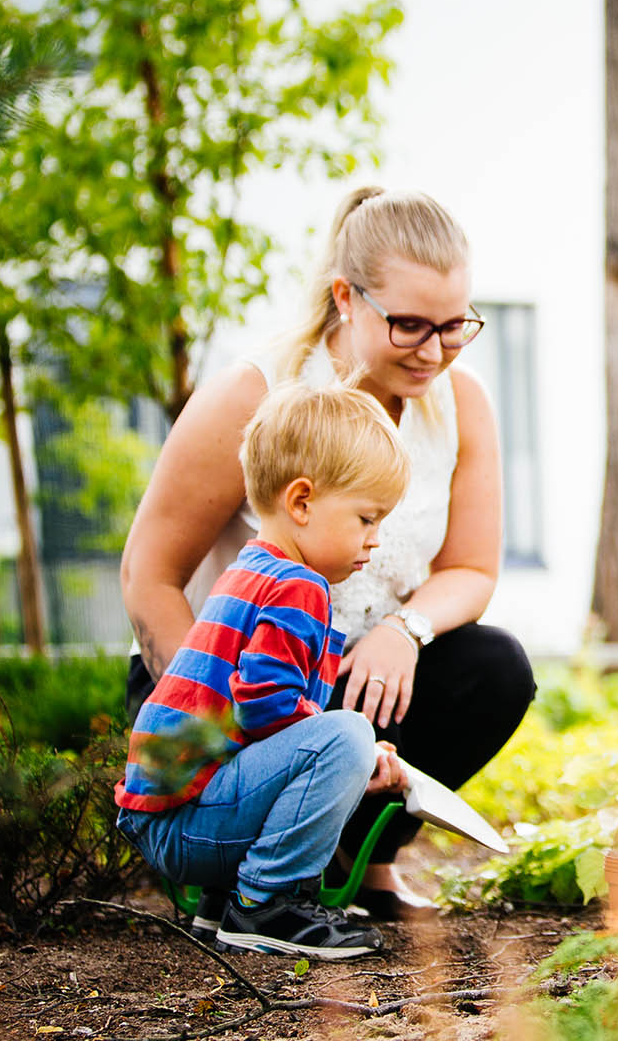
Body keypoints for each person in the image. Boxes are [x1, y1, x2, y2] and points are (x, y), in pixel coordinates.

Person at [120, 187, 537, 920]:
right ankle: (257, 874)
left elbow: (471, 570)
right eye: (409, 325)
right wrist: (207, 728)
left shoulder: (460, 400)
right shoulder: (256, 395)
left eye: (454, 326)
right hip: (234, 688)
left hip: (344, 685)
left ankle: (363, 866)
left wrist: (402, 632)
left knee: (493, 668)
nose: (435, 351)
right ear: (347, 297)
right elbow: (148, 573)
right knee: (327, 722)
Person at [116, 381, 410, 959]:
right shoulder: (298, 586)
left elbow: (247, 720)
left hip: (170, 816)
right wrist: (356, 755)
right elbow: (267, 705)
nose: (375, 541)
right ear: (301, 502)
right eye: (366, 518)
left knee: (336, 737)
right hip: (185, 822)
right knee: (348, 733)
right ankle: (267, 904)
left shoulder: (253, 569)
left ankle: (224, 900)